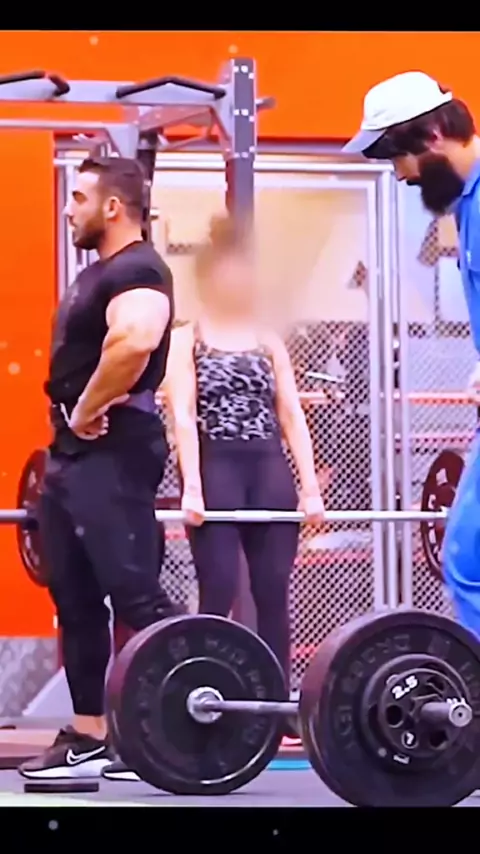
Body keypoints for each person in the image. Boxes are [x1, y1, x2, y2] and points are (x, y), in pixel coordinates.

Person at [19, 156, 177, 782]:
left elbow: (135, 340)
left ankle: (174, 730)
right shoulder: (100, 273)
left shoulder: (139, 269)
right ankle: (90, 735)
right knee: (77, 597)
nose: (68, 209)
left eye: (79, 198)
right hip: (72, 452)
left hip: (113, 446)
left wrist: (85, 408)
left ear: (113, 207)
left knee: (135, 592)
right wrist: (72, 422)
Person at [163, 215, 325, 709]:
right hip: (218, 470)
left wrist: (310, 487)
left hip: (268, 469)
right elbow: (183, 415)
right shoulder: (186, 339)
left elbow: (291, 414)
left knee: (272, 590)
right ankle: (205, 698)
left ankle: (276, 703)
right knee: (218, 589)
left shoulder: (267, 339)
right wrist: (192, 485)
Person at [343, 71, 480, 638]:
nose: (399, 174)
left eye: (396, 156)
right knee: (466, 560)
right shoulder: (467, 205)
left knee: (468, 563)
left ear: (432, 137)